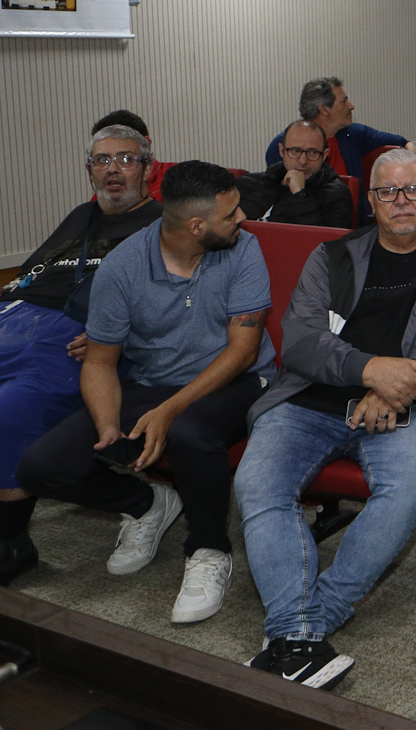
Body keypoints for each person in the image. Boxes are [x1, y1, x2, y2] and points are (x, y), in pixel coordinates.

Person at [16, 161, 277, 624]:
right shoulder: (123, 266)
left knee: (190, 432)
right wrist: (109, 427)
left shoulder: (243, 250)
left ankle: (209, 548)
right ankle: (147, 504)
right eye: (231, 214)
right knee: (42, 467)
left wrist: (170, 409)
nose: (242, 220)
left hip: (236, 380)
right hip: (151, 381)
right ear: (196, 226)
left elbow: (242, 350)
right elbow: (99, 362)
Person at [235, 149, 416, 688]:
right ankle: (301, 632)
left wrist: (400, 388)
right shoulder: (332, 257)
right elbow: (301, 342)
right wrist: (370, 369)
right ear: (370, 202)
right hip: (311, 400)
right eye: (387, 192)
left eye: (413, 189)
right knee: (258, 484)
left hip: (407, 404)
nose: (401, 201)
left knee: (411, 483)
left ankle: (299, 627)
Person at [0, 123, 164, 585]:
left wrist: (117, 333)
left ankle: (11, 542)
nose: (113, 170)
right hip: (18, 319)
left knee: (9, 413)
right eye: (102, 160)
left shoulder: (163, 225)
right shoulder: (80, 215)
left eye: (127, 160)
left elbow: (175, 301)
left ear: (148, 169)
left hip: (81, 337)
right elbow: (31, 275)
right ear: (89, 170)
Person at [262, 77, 406, 187]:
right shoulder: (283, 145)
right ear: (324, 110)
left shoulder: (352, 134)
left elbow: (399, 142)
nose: (351, 106)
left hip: (355, 223)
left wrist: (411, 147)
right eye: (344, 102)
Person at [237, 120, 354, 228]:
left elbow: (324, 244)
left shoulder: (337, 195)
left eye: (312, 152)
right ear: (282, 151)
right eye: (295, 151)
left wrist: (299, 194)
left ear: (324, 156)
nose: (303, 161)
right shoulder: (250, 184)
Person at [89, 111, 173, 201]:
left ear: (146, 143)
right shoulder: (97, 203)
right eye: (102, 159)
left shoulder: (178, 179)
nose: (112, 169)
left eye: (125, 158)